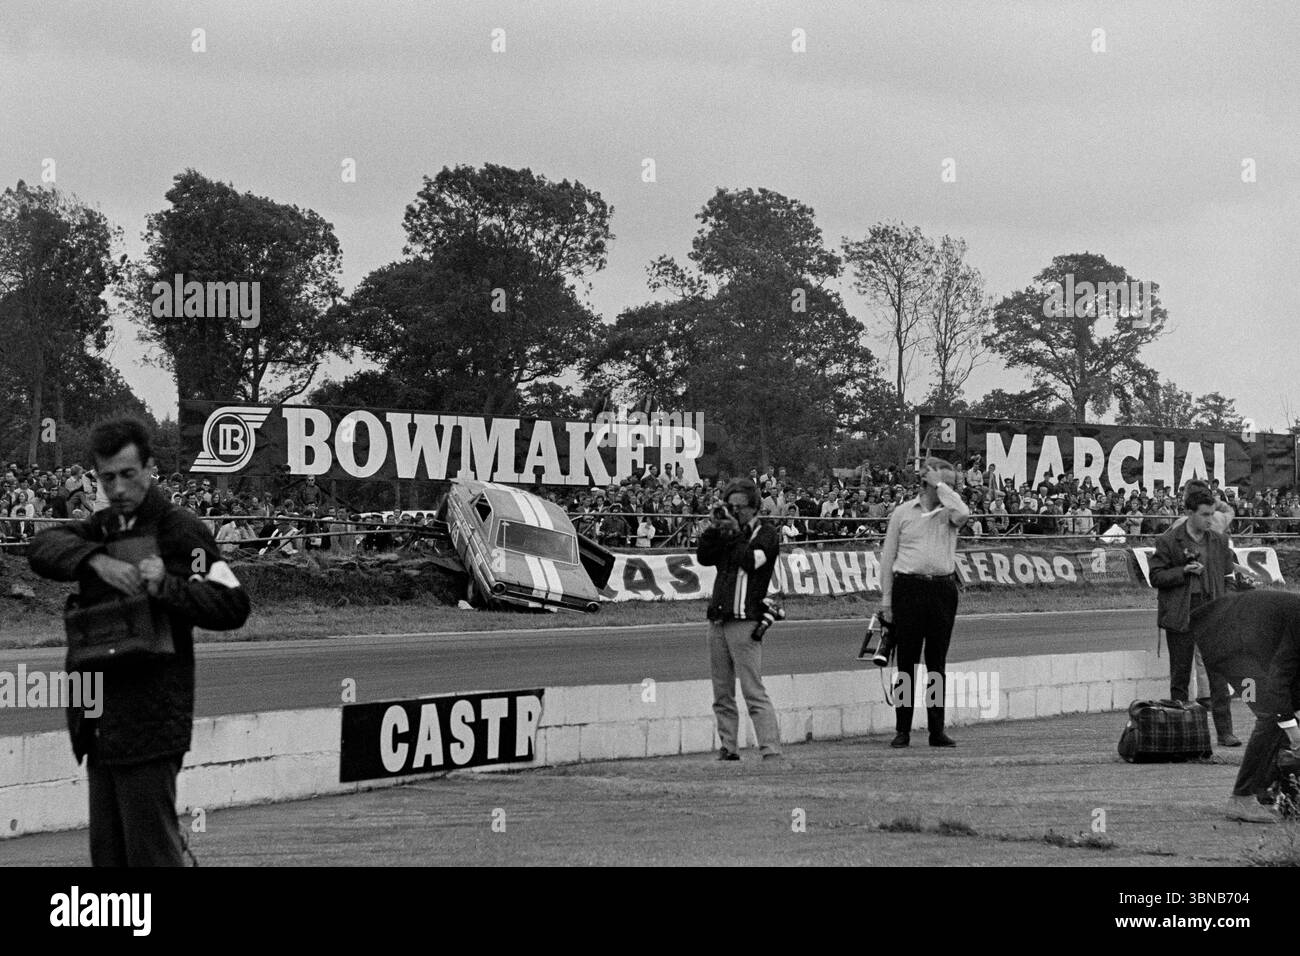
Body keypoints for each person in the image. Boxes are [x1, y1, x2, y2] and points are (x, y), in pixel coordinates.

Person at [28, 418, 251, 867]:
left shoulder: (179, 529)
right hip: (98, 720)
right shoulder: (101, 529)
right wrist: (96, 561)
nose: (118, 487)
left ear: (149, 468)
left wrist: (166, 585)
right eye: (107, 477)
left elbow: (233, 604)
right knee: (108, 858)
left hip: (152, 717)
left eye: (128, 474)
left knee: (152, 856)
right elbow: (43, 547)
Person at [878, 457, 969, 748]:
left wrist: (942, 485)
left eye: (951, 485)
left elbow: (963, 513)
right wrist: (887, 601)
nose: (950, 490)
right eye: (945, 484)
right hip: (908, 588)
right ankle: (902, 728)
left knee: (936, 663)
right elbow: (887, 558)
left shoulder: (950, 513)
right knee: (905, 662)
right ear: (926, 482)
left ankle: (936, 729)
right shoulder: (903, 513)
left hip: (942, 589)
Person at [1189, 590, 1300, 822]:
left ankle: (1264, 792)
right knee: (1271, 714)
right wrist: (1293, 731)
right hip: (1228, 642)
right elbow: (1282, 676)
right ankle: (1242, 798)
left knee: (1282, 712)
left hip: (1251, 640)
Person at [696, 477, 783, 761]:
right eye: (729, 506)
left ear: (754, 507)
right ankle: (728, 747)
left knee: (752, 689)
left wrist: (733, 533)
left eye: (739, 507)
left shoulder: (766, 533)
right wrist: (713, 528)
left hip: (746, 620)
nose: (734, 512)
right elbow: (704, 557)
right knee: (721, 691)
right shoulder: (726, 530)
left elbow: (751, 561)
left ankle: (770, 749)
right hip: (719, 618)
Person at [1147, 486, 1239, 746]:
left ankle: (1225, 732)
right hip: (1181, 613)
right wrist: (1184, 572)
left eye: (1212, 514)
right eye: (1205, 514)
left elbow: (1229, 577)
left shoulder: (1218, 541)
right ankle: (1179, 733)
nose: (1210, 520)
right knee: (1180, 676)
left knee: (1218, 676)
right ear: (1188, 512)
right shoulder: (1168, 541)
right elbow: (1156, 577)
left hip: (1212, 612)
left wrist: (1226, 602)